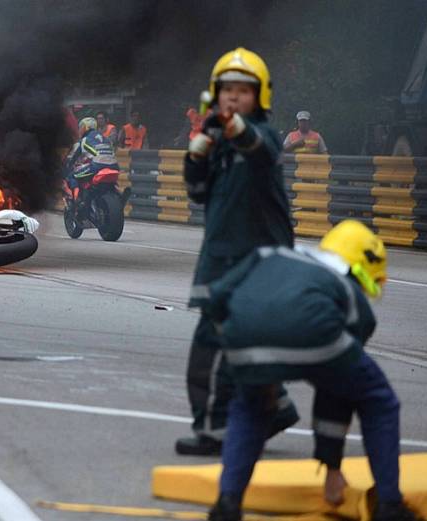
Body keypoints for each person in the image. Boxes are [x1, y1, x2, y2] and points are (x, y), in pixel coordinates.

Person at [200, 221, 419, 521]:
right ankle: (390, 506)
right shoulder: (351, 296)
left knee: (251, 407)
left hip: (243, 335)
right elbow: (337, 391)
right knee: (378, 400)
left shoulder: (271, 254)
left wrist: (230, 338)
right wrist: (332, 467)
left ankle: (227, 504)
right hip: (317, 332)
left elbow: (218, 295)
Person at [178, 47, 300, 456]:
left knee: (213, 347)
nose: (233, 97)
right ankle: (274, 406)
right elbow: (197, 193)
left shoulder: (264, 136)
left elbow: (257, 148)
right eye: (226, 90)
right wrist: (199, 147)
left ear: (259, 96)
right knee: (242, 345)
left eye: (243, 91)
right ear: (214, 95)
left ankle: (213, 431)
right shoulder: (219, 146)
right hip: (224, 257)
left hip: (256, 261)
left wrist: (230, 128)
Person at [64, 117, 119, 192]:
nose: (80, 129)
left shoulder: (84, 140)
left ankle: (75, 200)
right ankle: (117, 192)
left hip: (97, 166)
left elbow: (73, 157)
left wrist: (68, 166)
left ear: (87, 127)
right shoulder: (105, 138)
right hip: (115, 166)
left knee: (72, 176)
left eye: (82, 127)